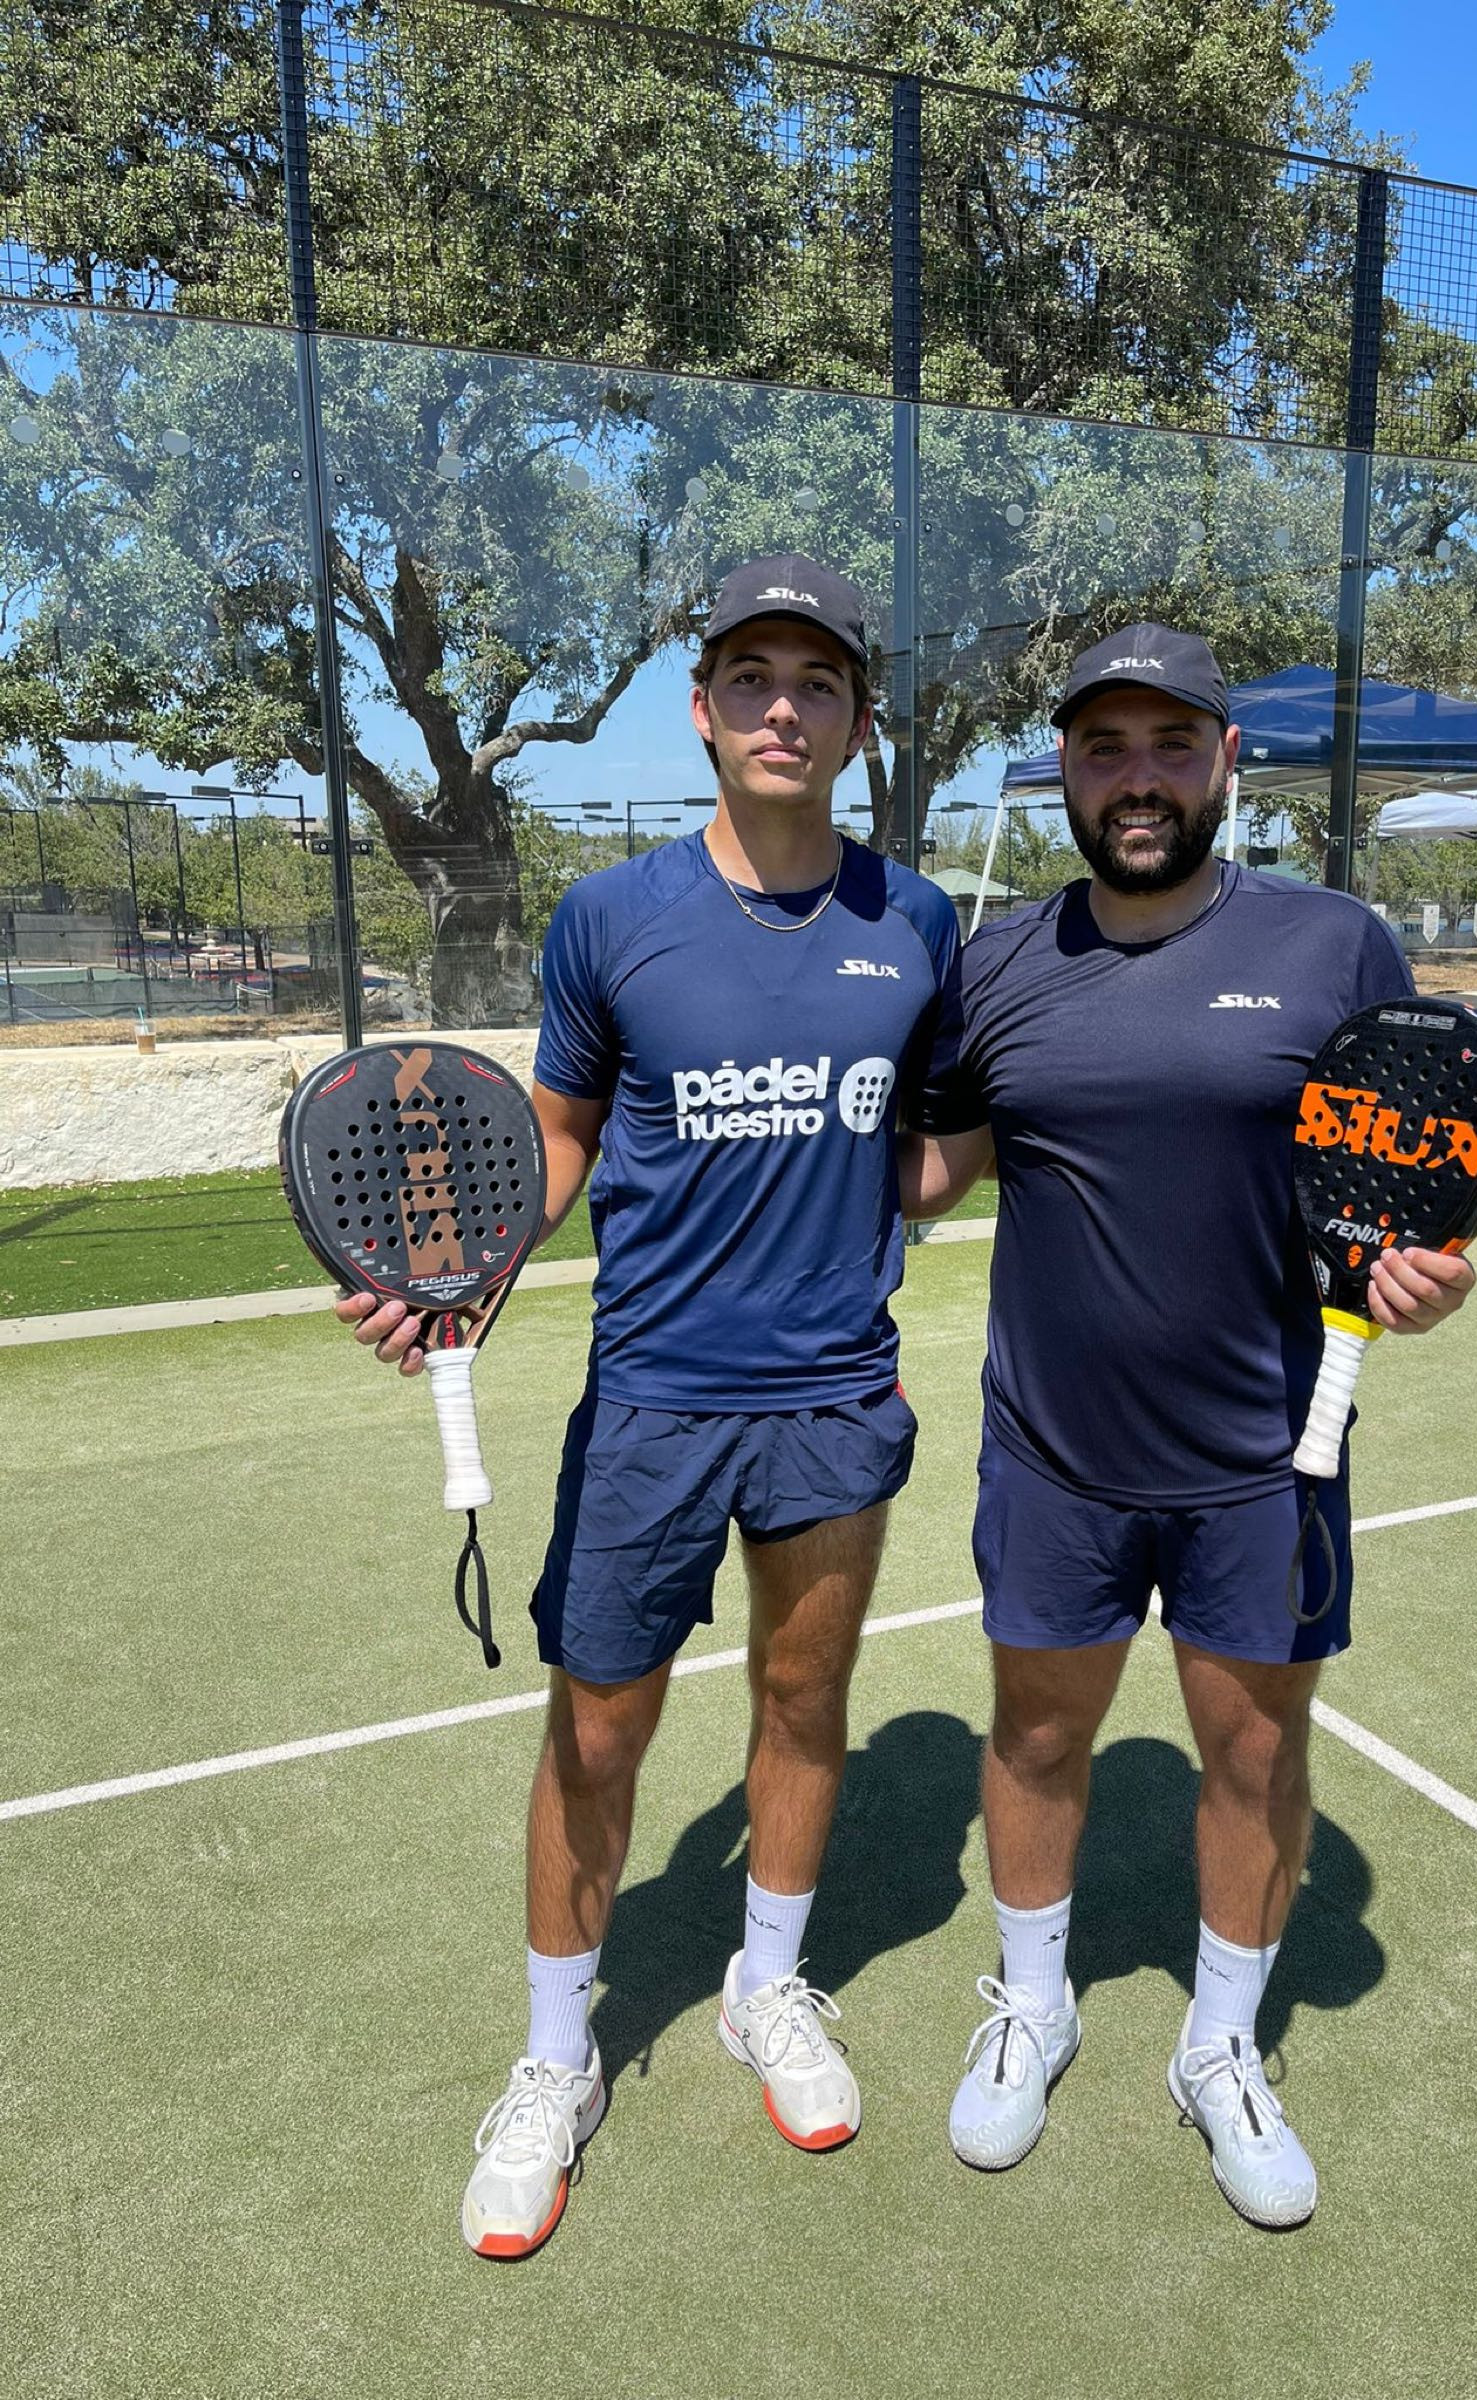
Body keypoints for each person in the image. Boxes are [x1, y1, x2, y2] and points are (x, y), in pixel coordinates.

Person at [337, 555, 963, 2258]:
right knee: (598, 1733)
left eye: (817, 682)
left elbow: (940, 1138)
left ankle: (768, 1986)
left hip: (834, 1397)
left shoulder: (917, 922)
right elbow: (558, 1135)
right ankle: (558, 2060)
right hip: (654, 1405)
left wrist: (926, 1173)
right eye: (752, 676)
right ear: (702, 708)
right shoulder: (610, 917)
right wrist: (472, 1269)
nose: (783, 707)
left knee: (805, 1695)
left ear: (857, 722)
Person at [900, 625, 1475, 2228]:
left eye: (1170, 744)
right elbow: (934, 1171)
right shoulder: (999, 960)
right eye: (1105, 748)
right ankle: (1036, 2004)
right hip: (1054, 1457)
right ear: (1067, 774)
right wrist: (775, 1156)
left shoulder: (1335, 944)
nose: (1137, 777)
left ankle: (1221, 2043)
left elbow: (1404, 1185)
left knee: (1255, 1751)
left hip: (1265, 1463)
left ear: (1230, 760)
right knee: (1035, 1737)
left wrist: (1428, 1280)